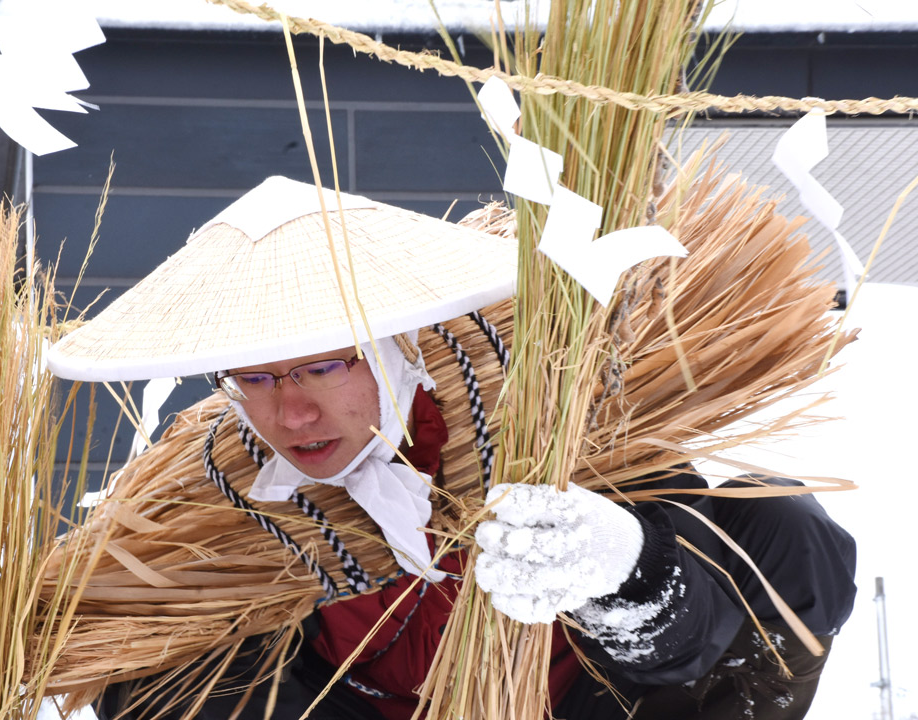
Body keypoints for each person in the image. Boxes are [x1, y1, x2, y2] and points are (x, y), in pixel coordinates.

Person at [46, 177, 856, 720]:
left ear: (398, 344)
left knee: (787, 526)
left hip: (596, 702)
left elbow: (694, 645)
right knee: (153, 664)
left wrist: (624, 569)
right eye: (254, 378)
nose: (290, 412)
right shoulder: (226, 483)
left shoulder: (551, 405)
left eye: (324, 366)